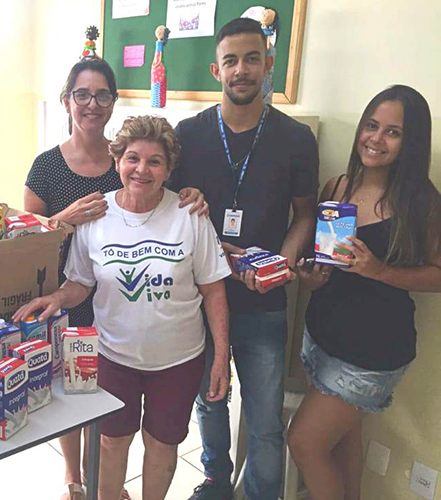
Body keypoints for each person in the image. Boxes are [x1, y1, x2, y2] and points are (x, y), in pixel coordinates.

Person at [16, 115, 232, 500]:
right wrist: (57, 298)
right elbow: (81, 282)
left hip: (179, 361)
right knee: (111, 442)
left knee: (162, 446)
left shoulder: (190, 215)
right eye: (133, 158)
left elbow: (214, 290)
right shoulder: (97, 215)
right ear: (117, 162)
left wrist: (220, 358)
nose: (142, 170)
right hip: (114, 357)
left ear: (168, 169)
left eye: (155, 161)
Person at [168, 18, 319, 500]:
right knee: (210, 400)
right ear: (216, 70)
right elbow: (167, 211)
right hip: (200, 299)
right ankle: (216, 482)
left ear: (268, 64)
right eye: (231, 61)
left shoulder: (296, 139)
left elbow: (305, 214)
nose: (241, 70)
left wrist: (282, 265)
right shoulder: (188, 134)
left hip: (263, 303)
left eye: (252, 59)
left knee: (265, 420)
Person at [287, 85, 441, 500]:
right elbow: (327, 263)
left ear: (411, 142)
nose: (376, 138)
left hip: (371, 353)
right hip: (322, 338)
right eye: (371, 126)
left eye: (393, 132)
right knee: (343, 441)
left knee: (304, 443)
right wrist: (313, 278)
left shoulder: (421, 203)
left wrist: (381, 271)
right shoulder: (336, 187)